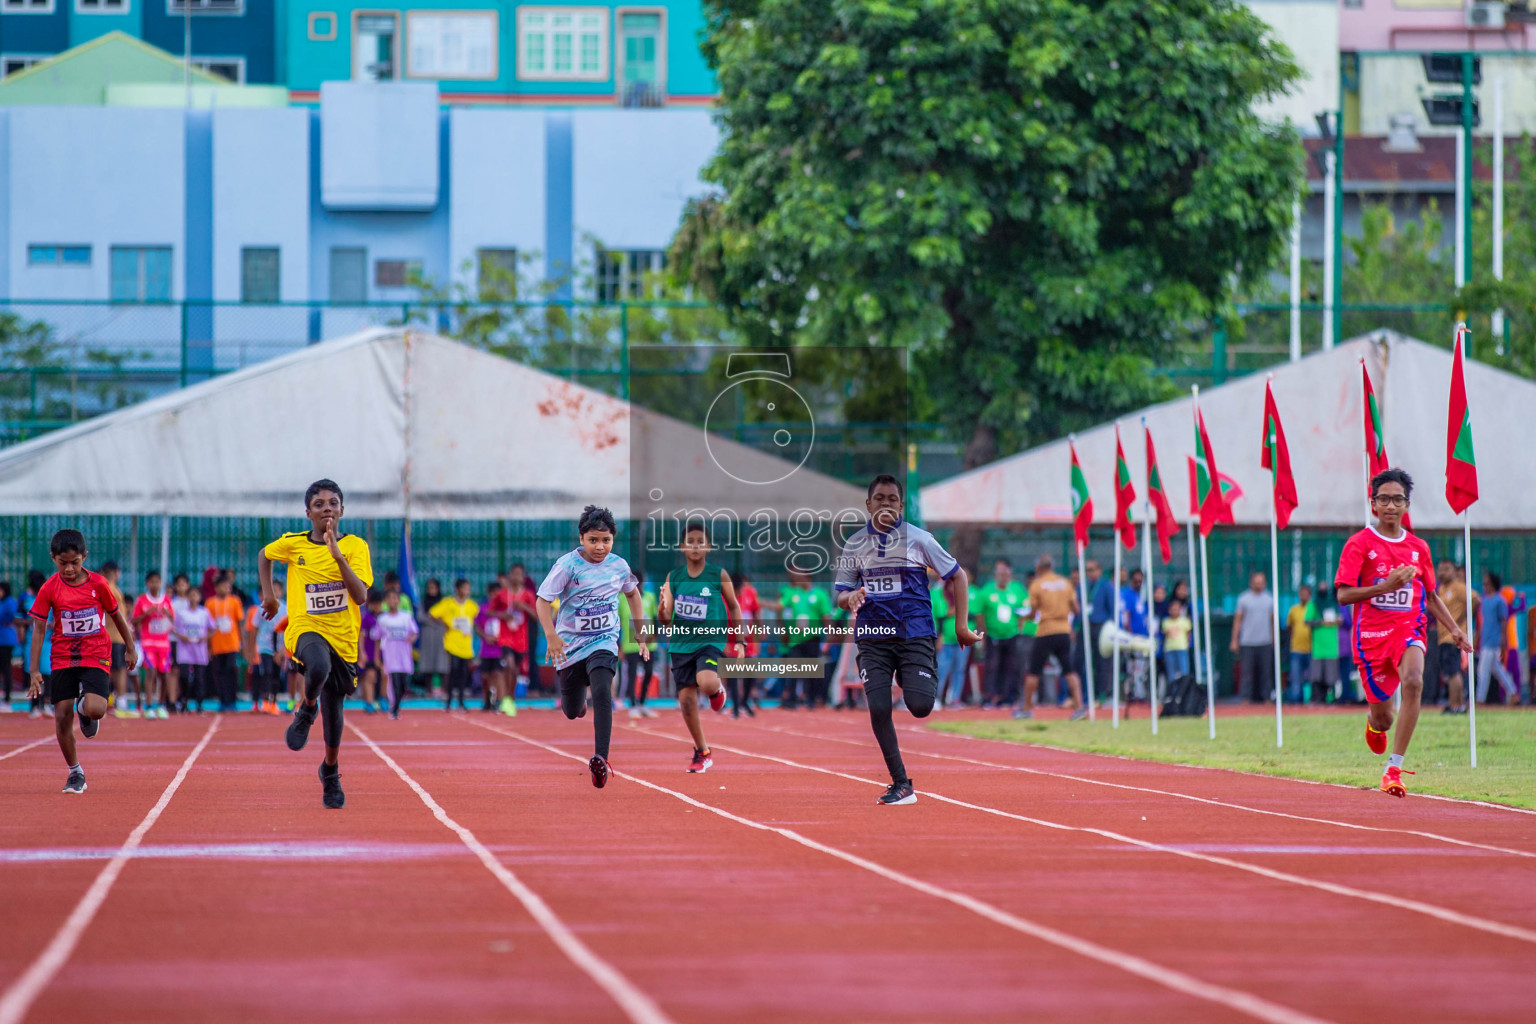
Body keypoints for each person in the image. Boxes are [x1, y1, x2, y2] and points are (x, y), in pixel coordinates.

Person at [835, 475, 980, 806]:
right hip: (873, 638)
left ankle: (913, 672)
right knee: (880, 707)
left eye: (892, 499)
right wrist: (853, 597)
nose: (885, 504)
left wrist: (960, 626)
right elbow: (841, 595)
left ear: (901, 506)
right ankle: (901, 783)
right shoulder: (855, 545)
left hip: (914, 634)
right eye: (879, 499)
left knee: (920, 706)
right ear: (868, 505)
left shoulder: (920, 540)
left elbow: (957, 575)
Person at [1335, 468, 1470, 798]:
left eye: (1398, 499)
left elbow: (1432, 595)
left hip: (1409, 629)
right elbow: (1343, 595)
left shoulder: (1418, 548)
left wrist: (1454, 630)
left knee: (1414, 682)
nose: (1391, 505)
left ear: (1407, 505)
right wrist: (1387, 585)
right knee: (1384, 719)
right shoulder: (1360, 544)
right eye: (1384, 499)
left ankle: (1393, 769)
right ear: (1373, 505)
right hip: (1370, 638)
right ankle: (1373, 720)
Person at [260, 478, 374, 810]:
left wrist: (338, 557)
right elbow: (264, 555)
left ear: (342, 510)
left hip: (344, 638)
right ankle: (308, 707)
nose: (327, 508)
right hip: (305, 628)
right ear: (308, 512)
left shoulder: (356, 547)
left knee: (335, 710)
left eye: (333, 503)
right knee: (318, 666)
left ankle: (330, 770)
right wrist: (269, 596)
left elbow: (361, 596)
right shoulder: (293, 544)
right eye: (320, 504)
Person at [535, 505, 649, 788]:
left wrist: (639, 633)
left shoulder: (619, 566)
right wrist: (550, 635)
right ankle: (578, 703)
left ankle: (601, 758)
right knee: (572, 710)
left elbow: (634, 596)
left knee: (602, 690)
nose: (600, 547)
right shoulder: (567, 566)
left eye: (606, 540)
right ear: (581, 538)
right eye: (593, 540)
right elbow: (542, 601)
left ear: (613, 539)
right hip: (570, 646)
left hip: (604, 641)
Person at [26, 529, 139, 794]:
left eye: (74, 563)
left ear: (84, 557)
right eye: (62, 563)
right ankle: (75, 773)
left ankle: (84, 708)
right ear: (53, 558)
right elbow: (39, 629)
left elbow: (118, 616)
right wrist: (33, 670)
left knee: (97, 709)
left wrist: (131, 648)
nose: (68, 568)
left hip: (95, 652)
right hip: (63, 656)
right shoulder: (49, 588)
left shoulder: (99, 584)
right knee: (61, 717)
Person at [658, 521, 737, 772]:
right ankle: (702, 752)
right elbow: (665, 617)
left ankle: (716, 690)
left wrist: (742, 639)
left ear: (708, 547)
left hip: (709, 640)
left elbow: (734, 605)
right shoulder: (674, 577)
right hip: (681, 645)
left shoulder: (718, 575)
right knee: (687, 702)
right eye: (690, 541)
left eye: (700, 541)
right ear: (682, 547)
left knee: (707, 682)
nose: (695, 546)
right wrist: (662, 608)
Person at [1022, 554, 1088, 719]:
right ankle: (1080, 707)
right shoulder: (1065, 584)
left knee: (1033, 671)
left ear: (1039, 568)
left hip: (1045, 631)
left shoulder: (1037, 585)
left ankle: (1026, 710)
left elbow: (1033, 612)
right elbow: (1076, 610)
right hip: (1063, 631)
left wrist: (1024, 618)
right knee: (1069, 670)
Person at [773, 568, 833, 710]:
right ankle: (791, 699)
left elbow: (826, 616)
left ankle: (811, 699)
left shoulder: (820, 594)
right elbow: (779, 607)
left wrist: (829, 636)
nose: (795, 579)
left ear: (807, 577)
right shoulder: (792, 593)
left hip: (813, 637)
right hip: (795, 638)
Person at [973, 559, 1026, 715]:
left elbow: (1024, 609)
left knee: (1011, 666)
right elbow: (979, 613)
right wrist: (982, 632)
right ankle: (989, 696)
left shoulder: (1017, 589)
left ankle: (1007, 696)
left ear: (1010, 574)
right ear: (995, 574)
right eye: (1000, 573)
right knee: (992, 666)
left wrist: (1020, 626)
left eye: (1005, 573)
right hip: (993, 635)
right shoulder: (987, 590)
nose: (1003, 576)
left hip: (1012, 634)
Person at [132, 571, 174, 719]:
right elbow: (134, 620)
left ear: (161, 583)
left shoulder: (167, 600)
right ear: (147, 584)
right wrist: (146, 614)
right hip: (148, 642)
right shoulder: (142, 600)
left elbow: (173, 622)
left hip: (163, 644)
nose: (155, 584)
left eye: (157, 581)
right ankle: (149, 705)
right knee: (151, 672)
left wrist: (167, 614)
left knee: (164, 674)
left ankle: (161, 705)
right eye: (152, 581)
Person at [431, 579, 477, 711]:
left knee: (463, 674)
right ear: (458, 589)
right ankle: (449, 701)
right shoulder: (448, 603)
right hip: (452, 643)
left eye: (468, 588)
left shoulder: (471, 605)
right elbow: (432, 613)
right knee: (453, 671)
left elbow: (476, 618)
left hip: (466, 644)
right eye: (464, 588)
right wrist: (444, 623)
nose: (467, 591)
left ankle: (461, 702)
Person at [373, 589, 419, 719]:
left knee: (404, 685)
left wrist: (412, 638)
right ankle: (394, 708)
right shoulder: (382, 619)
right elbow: (377, 638)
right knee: (394, 683)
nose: (392, 601)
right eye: (390, 598)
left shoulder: (406, 616)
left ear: (399, 600)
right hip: (390, 655)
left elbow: (414, 632)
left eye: (395, 598)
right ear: (386, 601)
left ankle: (396, 706)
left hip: (404, 656)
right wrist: (377, 657)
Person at [1230, 572, 1275, 703]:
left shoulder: (1269, 599)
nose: (1258, 584)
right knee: (1247, 673)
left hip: (1265, 641)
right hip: (1248, 642)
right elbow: (1237, 620)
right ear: (1251, 583)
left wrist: (1273, 639)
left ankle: (1267, 698)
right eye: (1256, 582)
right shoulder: (1243, 599)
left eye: (1261, 582)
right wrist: (1234, 639)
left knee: (1266, 673)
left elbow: (1272, 621)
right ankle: (1245, 698)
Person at [98, 561, 136, 718]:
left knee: (116, 670)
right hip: (114, 636)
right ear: (115, 572)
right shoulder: (110, 589)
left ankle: (114, 701)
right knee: (117, 671)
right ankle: (117, 702)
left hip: (117, 636)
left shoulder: (111, 588)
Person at [1433, 561, 1471, 713]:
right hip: (1443, 637)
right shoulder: (1441, 589)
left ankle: (1457, 705)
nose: (1442, 573)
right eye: (1440, 569)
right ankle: (1454, 703)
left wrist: (1460, 622)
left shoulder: (1458, 587)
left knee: (1454, 672)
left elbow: (1475, 600)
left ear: (1454, 572)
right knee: (1449, 672)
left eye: (1446, 569)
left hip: (1453, 637)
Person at [619, 572, 658, 718]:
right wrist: (619, 646)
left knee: (648, 672)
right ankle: (633, 705)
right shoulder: (621, 599)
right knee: (632, 674)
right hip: (630, 644)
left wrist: (654, 635)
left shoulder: (650, 597)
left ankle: (642, 703)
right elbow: (616, 623)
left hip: (648, 644)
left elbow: (654, 618)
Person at [1475, 572, 1516, 706]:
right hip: (1485, 639)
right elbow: (1483, 622)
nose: (1484, 586)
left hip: (1493, 640)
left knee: (1483, 670)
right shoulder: (1485, 601)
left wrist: (1503, 641)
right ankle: (1513, 692)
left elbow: (1504, 622)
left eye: (1487, 583)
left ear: (1493, 584)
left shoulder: (1500, 601)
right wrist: (1478, 638)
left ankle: (1480, 699)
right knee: (1497, 670)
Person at [206, 572, 244, 712]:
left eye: (227, 586)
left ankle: (232, 700)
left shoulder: (235, 601)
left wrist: (242, 643)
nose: (225, 588)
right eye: (222, 586)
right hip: (217, 644)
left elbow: (239, 623)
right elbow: (208, 626)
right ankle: (222, 700)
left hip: (232, 644)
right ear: (216, 587)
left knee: (231, 671)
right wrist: (209, 646)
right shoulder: (210, 603)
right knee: (219, 673)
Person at [174, 588, 214, 713]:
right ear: (187, 597)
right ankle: (184, 700)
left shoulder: (204, 613)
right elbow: (174, 629)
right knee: (184, 676)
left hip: (199, 650)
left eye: (196, 595)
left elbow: (213, 628)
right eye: (191, 595)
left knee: (199, 678)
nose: (193, 597)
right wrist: (182, 637)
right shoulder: (181, 614)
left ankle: (199, 703)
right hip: (185, 650)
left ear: (199, 598)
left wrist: (205, 638)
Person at [475, 581, 511, 715]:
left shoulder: (503, 611)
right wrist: (485, 636)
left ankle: (499, 702)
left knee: (498, 675)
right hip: (486, 649)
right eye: (492, 594)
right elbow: (478, 626)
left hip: (499, 649)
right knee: (486, 676)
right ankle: (487, 699)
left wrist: (501, 638)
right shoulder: (483, 609)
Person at [1306, 592, 1342, 703]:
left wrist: (1338, 621)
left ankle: (1330, 699)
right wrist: (1321, 621)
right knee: (1316, 675)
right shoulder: (1313, 604)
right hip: (1318, 648)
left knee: (1331, 676)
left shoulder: (1334, 604)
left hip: (1332, 648)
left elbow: (1343, 620)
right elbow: (1307, 621)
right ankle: (1316, 698)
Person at [417, 579, 448, 698]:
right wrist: (435, 621)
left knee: (442, 662)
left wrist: (437, 620)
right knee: (427, 663)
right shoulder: (423, 602)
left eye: (434, 587)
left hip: (440, 636)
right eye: (430, 588)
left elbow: (446, 617)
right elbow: (421, 617)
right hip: (427, 636)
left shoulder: (443, 602)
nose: (432, 590)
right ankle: (428, 691)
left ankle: (444, 691)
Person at [1284, 584, 1313, 704]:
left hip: (1312, 649)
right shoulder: (1293, 610)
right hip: (1296, 649)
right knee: (1296, 678)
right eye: (1302, 593)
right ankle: (1296, 702)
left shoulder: (1313, 608)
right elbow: (1289, 627)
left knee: (1312, 678)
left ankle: (1311, 699)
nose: (1304, 596)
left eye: (1306, 593)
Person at [1161, 598, 1193, 681]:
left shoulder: (1184, 621)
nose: (1175, 611)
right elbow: (1164, 636)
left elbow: (1188, 634)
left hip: (1181, 649)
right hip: (1169, 649)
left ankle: (1184, 690)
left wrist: (1187, 644)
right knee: (1171, 673)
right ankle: (1173, 692)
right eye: (1173, 609)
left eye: (1177, 609)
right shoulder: (1166, 622)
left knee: (1184, 671)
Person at [0, 581, 17, 712]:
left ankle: (7, 698)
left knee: (6, 669)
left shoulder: (9, 602)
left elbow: (10, 617)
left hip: (6, 640)